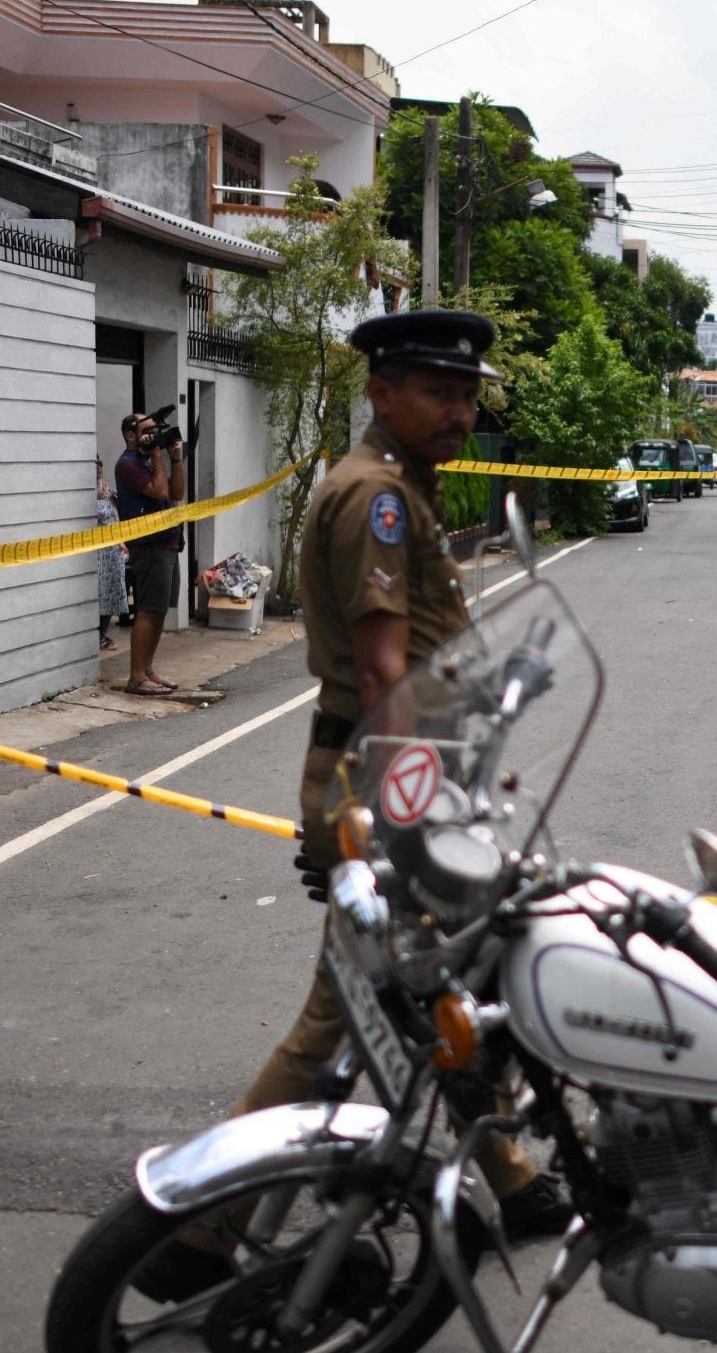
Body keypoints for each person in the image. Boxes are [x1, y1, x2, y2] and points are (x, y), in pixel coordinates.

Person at [234, 308, 568, 1238]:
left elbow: (420, 656)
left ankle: (512, 1181)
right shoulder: (379, 497)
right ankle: (199, 1229)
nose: (459, 411)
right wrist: (415, 814)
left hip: (399, 775)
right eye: (437, 392)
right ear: (381, 392)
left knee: (431, 988)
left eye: (468, 395)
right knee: (337, 1014)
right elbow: (386, 675)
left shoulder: (406, 486)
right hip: (383, 780)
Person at [112, 411, 187, 695]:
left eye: (156, 430)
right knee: (147, 610)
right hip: (149, 545)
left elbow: (175, 493)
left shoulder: (145, 461)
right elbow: (158, 491)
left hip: (167, 541)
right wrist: (157, 455)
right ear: (131, 435)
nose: (153, 435)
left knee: (159, 611)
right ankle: (136, 677)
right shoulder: (128, 465)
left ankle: (147, 669)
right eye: (147, 431)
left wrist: (176, 459)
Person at [93, 460, 126, 650]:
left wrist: (111, 494)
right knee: (100, 592)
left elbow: (117, 510)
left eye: (100, 465)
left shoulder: (104, 487)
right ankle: (96, 634)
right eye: (94, 465)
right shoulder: (86, 492)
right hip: (98, 553)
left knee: (113, 590)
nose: (98, 468)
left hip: (112, 550)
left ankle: (103, 633)